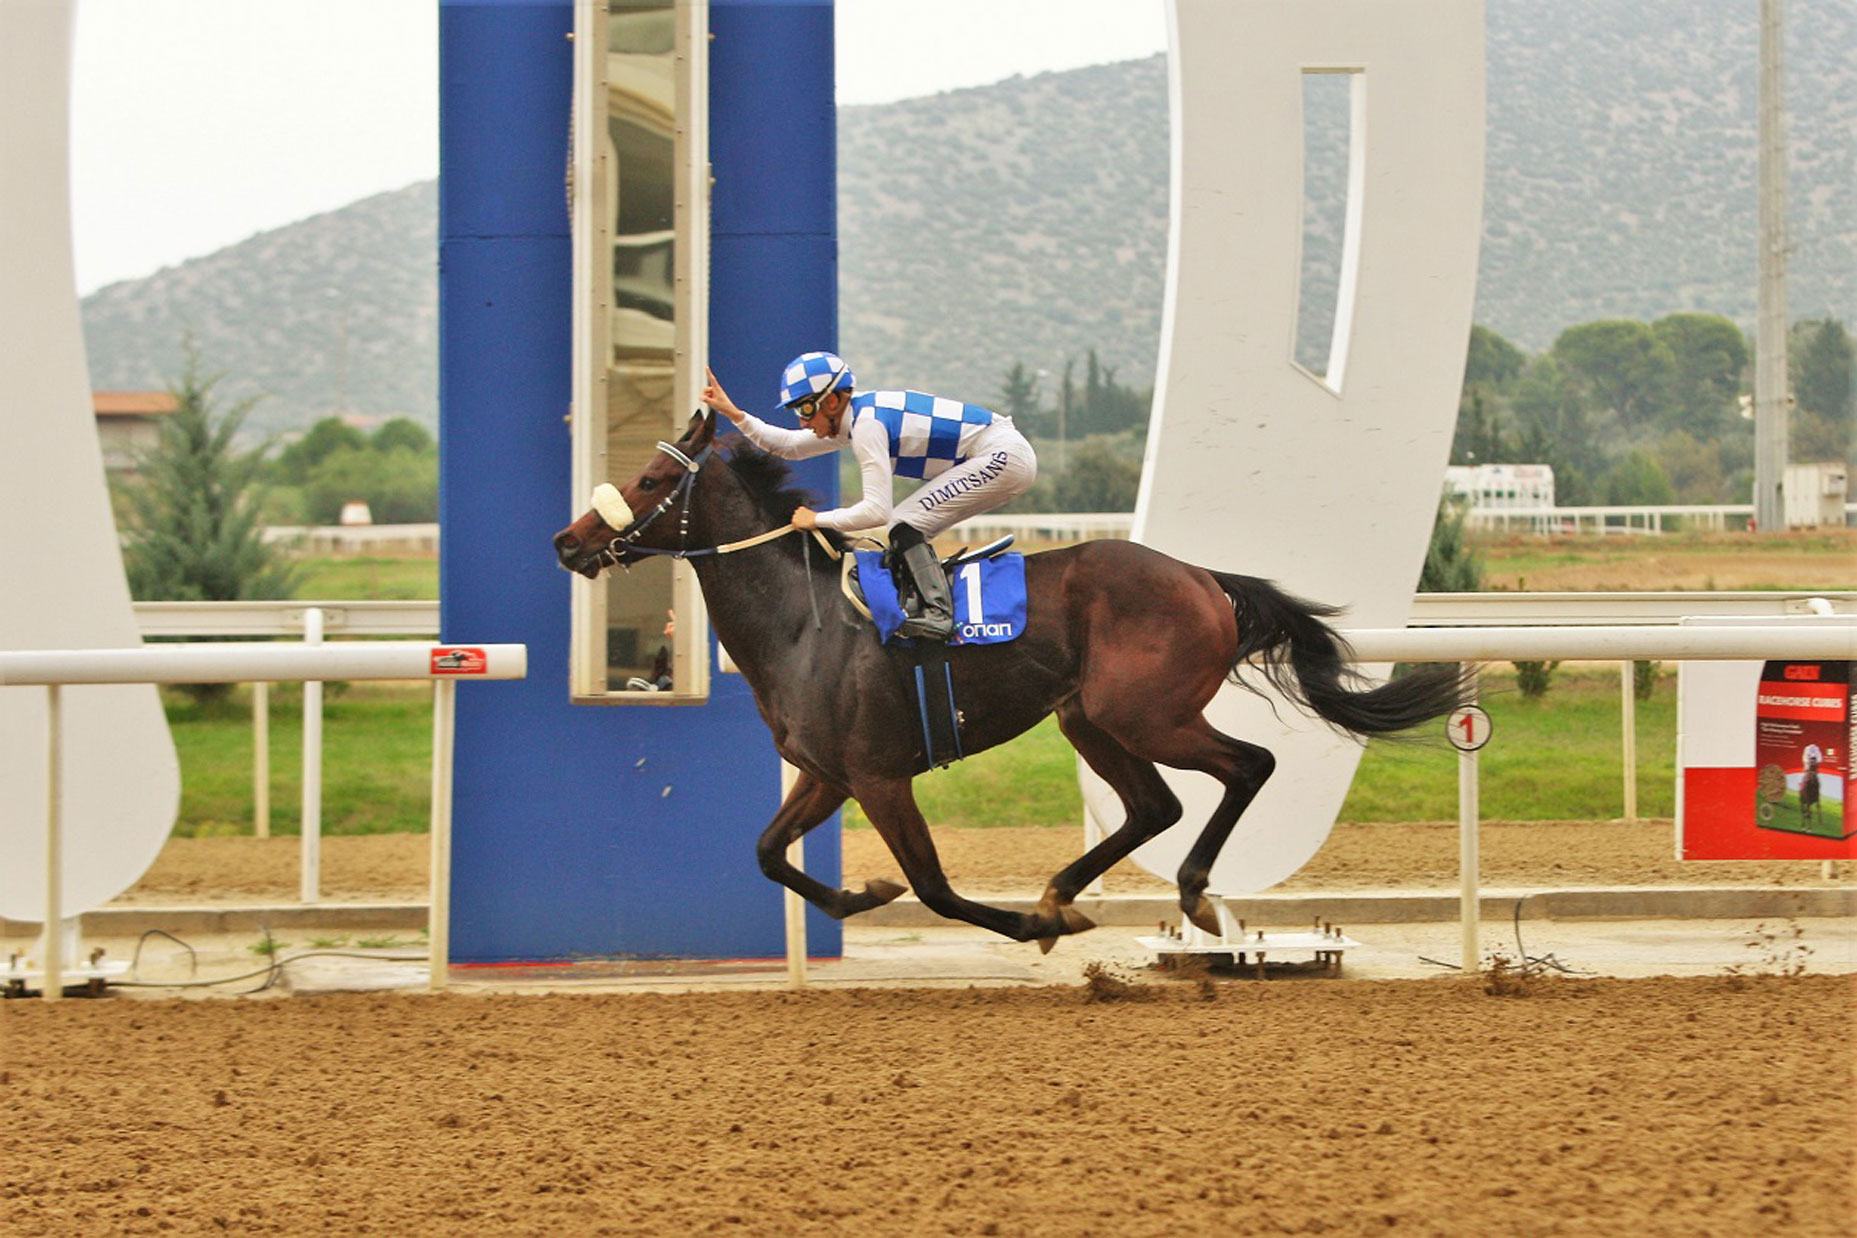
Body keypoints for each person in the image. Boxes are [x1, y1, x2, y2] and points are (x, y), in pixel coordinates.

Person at [702, 352, 1037, 639]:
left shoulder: (867, 425)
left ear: (832, 401)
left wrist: (817, 519)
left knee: (903, 523)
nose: (803, 422)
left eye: (805, 409)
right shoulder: (855, 417)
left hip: (1002, 455)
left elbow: (876, 511)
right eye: (797, 411)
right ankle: (930, 603)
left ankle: (938, 614)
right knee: (906, 529)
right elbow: (790, 446)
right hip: (1001, 452)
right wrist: (735, 414)